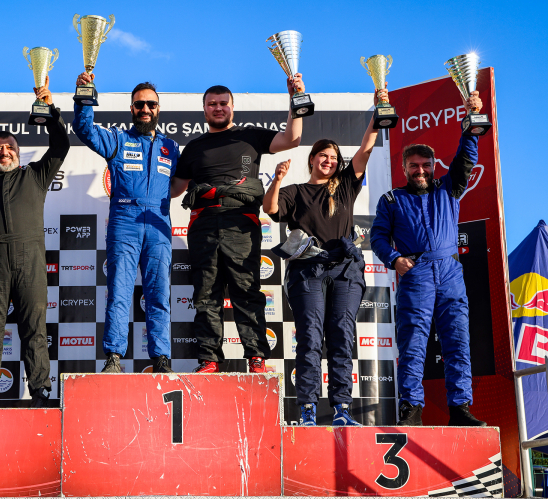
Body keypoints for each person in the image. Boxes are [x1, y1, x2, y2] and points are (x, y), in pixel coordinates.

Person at [263, 88, 389, 427]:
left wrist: (378, 110)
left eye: (333, 157)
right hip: (307, 272)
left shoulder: (345, 185)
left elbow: (366, 148)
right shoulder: (296, 192)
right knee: (309, 338)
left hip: (345, 271)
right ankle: (307, 410)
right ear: (312, 159)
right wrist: (276, 180)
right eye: (323, 155)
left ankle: (342, 410)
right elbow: (271, 209)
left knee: (341, 337)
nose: (329, 161)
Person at [169, 77, 303, 373]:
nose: (218, 108)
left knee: (246, 290)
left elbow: (292, 139)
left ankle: (256, 357)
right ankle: (208, 359)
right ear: (204, 109)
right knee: (206, 294)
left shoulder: (250, 136)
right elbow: (175, 189)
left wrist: (295, 99)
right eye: (212, 104)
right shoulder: (193, 148)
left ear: (233, 107)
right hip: (203, 225)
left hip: (240, 222)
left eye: (223, 103)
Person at [370, 91, 486, 427]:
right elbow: (377, 237)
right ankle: (411, 409)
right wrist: (394, 259)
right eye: (413, 166)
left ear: (434, 167)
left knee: (457, 341)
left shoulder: (449, 188)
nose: (419, 170)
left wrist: (470, 123)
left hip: (450, 271)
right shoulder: (391, 199)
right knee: (413, 342)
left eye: (425, 165)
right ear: (404, 168)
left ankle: (460, 409)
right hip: (416, 273)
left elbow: (466, 158)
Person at [0, 76, 69, 407]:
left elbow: (61, 145)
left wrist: (49, 108)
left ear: (17, 153)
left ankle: (40, 391)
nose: (3, 152)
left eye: (8, 148)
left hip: (30, 260)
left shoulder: (35, 175)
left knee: (34, 329)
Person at [73, 73, 179, 374]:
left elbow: (181, 182)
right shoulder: (118, 140)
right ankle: (114, 357)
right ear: (131, 108)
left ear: (158, 109)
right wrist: (85, 94)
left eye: (151, 104)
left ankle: (161, 359)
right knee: (119, 291)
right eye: (139, 104)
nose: (145, 109)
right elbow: (84, 129)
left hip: (158, 223)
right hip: (125, 221)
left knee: (159, 293)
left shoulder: (172, 147)